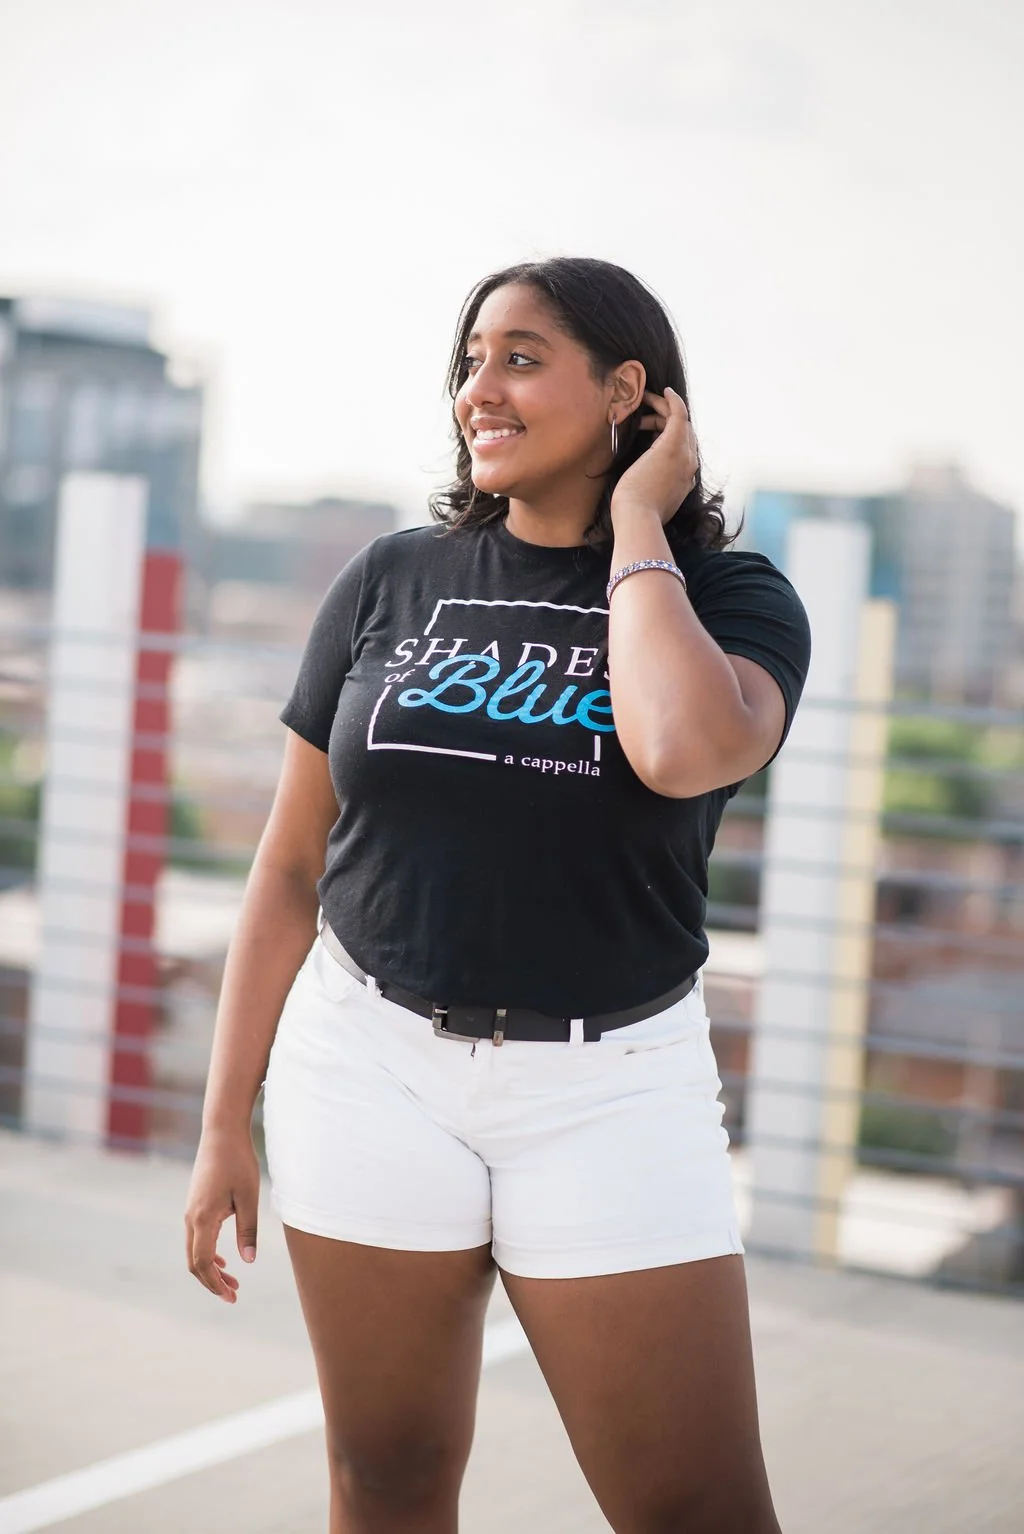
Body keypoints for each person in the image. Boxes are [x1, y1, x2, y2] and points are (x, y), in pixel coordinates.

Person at [185, 255, 811, 1534]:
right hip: (365, 1066)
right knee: (386, 1479)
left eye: (520, 358)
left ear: (629, 392)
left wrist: (640, 529)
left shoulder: (736, 601)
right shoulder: (391, 578)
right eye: (471, 359)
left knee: (697, 1511)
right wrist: (219, 1126)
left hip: (610, 1088)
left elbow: (682, 750)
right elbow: (292, 865)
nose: (480, 388)